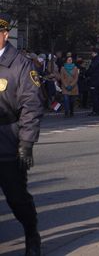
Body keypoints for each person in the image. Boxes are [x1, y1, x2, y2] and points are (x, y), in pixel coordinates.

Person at [0, 13, 44, 255]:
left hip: (7, 141)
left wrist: (26, 143)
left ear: (5, 35)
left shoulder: (20, 64)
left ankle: (31, 233)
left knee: (17, 199)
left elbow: (32, 105)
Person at [86, 48, 99, 116]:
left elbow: (91, 70)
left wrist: (86, 73)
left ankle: (95, 110)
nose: (91, 54)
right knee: (98, 96)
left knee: (94, 96)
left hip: (94, 80)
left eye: (92, 53)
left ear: (95, 53)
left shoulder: (95, 61)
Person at [59, 53, 79, 117]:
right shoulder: (63, 68)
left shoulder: (75, 68)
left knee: (72, 101)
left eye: (71, 60)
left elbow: (76, 78)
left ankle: (71, 111)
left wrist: (71, 85)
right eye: (68, 60)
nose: (70, 61)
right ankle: (66, 111)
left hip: (73, 87)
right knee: (66, 99)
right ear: (66, 61)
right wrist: (66, 85)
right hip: (65, 87)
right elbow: (62, 77)